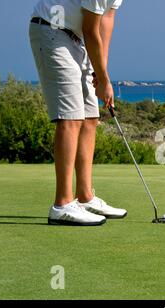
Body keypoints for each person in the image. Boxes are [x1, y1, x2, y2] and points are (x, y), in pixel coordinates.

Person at [29, 0, 127, 226]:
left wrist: (101, 70)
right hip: (52, 29)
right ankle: (62, 205)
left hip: (78, 40)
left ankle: (85, 198)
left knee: (91, 117)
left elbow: (107, 21)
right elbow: (90, 28)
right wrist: (103, 80)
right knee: (70, 118)